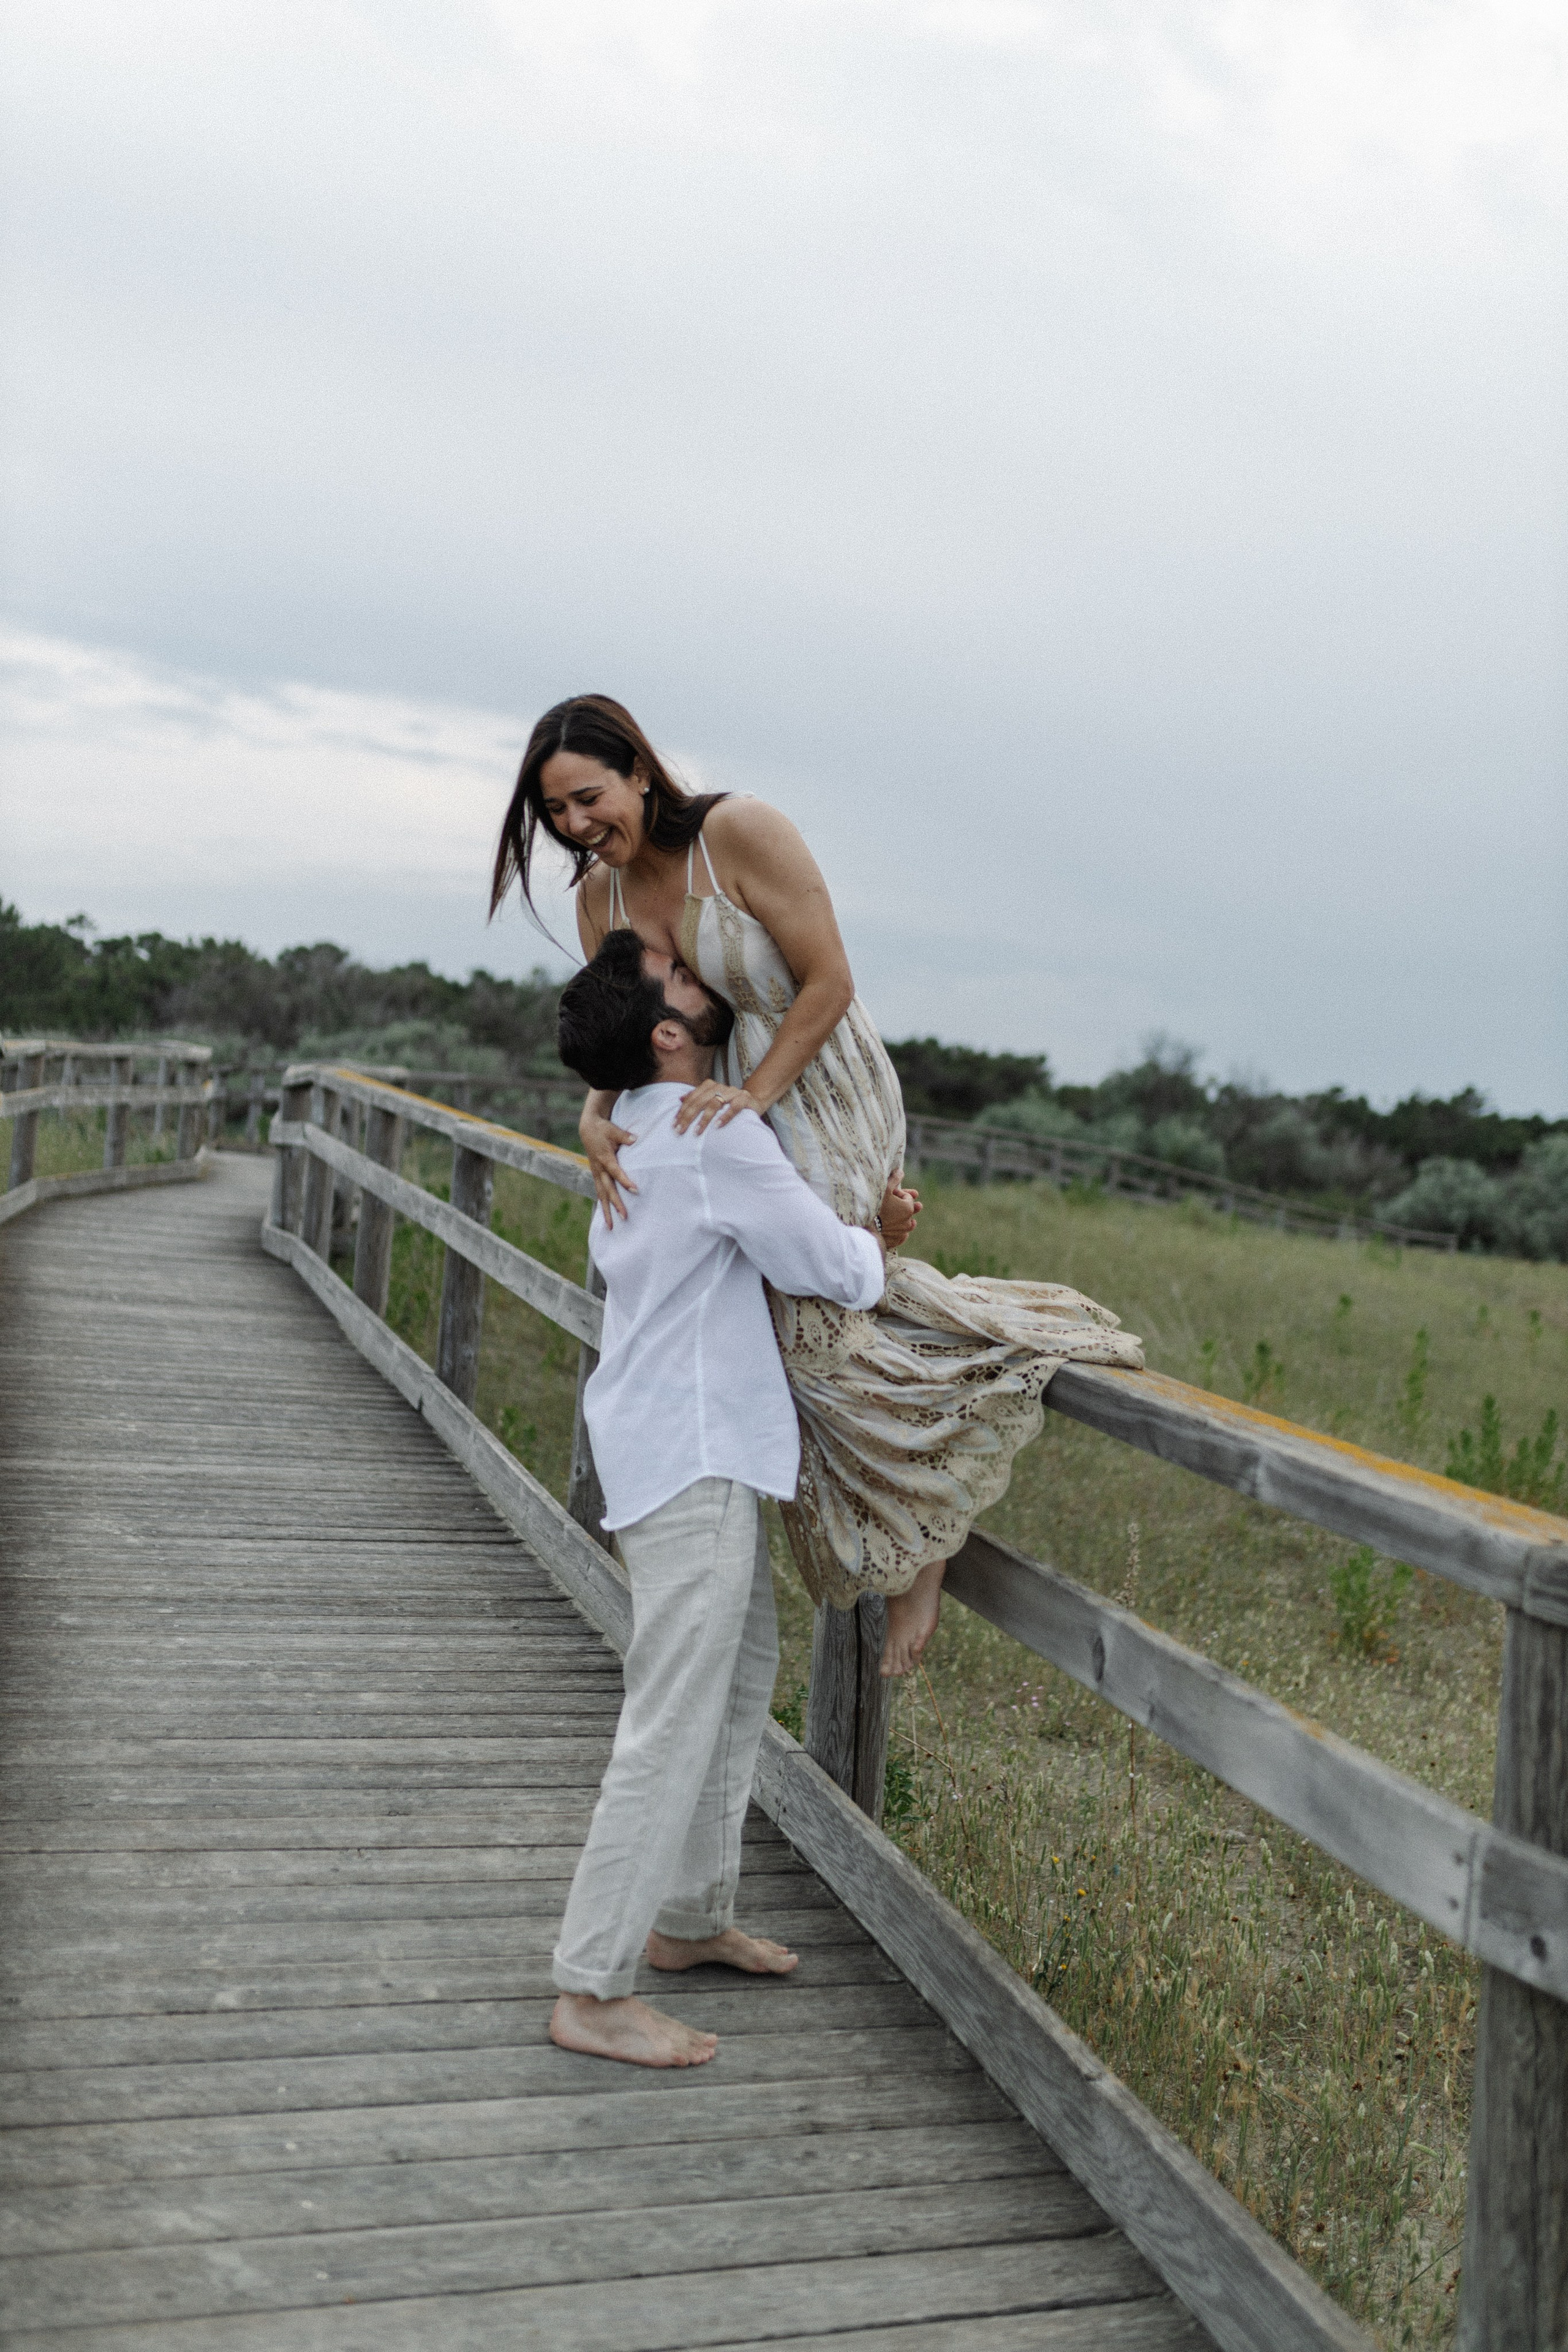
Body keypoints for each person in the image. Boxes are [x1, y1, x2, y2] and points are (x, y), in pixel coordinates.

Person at [491, 695, 1142, 1683]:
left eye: (588, 799)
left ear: (637, 768)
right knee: (781, 1343)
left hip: (815, 1081)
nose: (578, 828)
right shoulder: (600, 902)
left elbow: (829, 978)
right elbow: (625, 1029)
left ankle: (920, 1536)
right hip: (719, 1115)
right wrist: (594, 1114)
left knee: (818, 1320)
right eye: (557, 818)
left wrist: (751, 1099)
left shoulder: (738, 833)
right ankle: (918, 1517)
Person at [547, 929, 910, 2068]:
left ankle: (691, 1920)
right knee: (669, 1715)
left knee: (739, 1675)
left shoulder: (637, 1135)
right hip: (695, 1451)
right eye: (689, 977)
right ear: (669, 1031)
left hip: (668, 1440)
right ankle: (590, 1988)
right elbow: (828, 1267)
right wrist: (883, 1238)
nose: (714, 979)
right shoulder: (716, 1136)